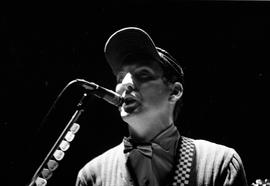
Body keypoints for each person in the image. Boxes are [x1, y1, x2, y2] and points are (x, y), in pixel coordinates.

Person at [75, 27, 248, 186]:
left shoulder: (219, 163)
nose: (125, 84)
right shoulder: (92, 176)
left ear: (175, 92)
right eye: (120, 77)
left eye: (143, 74)